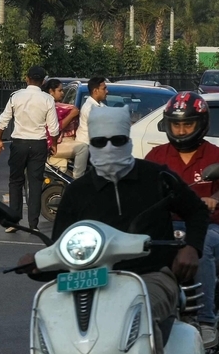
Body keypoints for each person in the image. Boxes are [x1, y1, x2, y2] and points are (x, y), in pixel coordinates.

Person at [17, 107, 207, 349]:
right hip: (86, 282)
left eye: (117, 140)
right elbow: (62, 252)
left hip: (151, 276)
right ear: (91, 143)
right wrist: (37, 265)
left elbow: (197, 210)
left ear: (128, 139)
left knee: (140, 316)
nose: (108, 148)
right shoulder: (77, 192)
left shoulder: (157, 177)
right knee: (54, 324)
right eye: (99, 142)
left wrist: (192, 247)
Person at [144, 92, 219, 348]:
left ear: (201, 124)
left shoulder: (216, 156)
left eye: (188, 124)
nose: (182, 130)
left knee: (200, 246)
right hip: (167, 227)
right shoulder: (156, 156)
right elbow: (142, 188)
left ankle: (205, 320)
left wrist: (215, 198)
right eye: (176, 125)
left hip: (211, 227)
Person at [0, 65, 60, 233]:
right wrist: (53, 144)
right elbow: (53, 128)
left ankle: (13, 222)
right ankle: (33, 225)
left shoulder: (16, 97)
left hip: (19, 144)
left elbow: (3, 121)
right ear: (43, 81)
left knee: (16, 181)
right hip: (38, 145)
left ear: (27, 79)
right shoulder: (48, 99)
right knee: (35, 183)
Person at [73, 76, 108, 177]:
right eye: (104, 89)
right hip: (89, 148)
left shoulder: (100, 105)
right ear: (95, 91)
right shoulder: (89, 108)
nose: (107, 91)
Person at [44, 78, 80, 167]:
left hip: (58, 141)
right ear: (51, 91)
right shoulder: (53, 107)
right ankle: (78, 174)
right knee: (83, 149)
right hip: (52, 144)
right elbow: (57, 127)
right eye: (60, 90)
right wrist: (71, 115)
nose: (63, 93)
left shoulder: (58, 107)